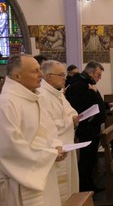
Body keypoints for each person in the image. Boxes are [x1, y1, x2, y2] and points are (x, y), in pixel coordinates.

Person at [0, 55, 66, 206]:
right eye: (35, 71)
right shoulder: (6, 103)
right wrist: (50, 154)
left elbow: (48, 128)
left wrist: (56, 145)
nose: (41, 75)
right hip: (22, 180)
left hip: (43, 172)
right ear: (17, 76)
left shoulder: (33, 97)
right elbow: (10, 147)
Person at [39, 60, 80, 203]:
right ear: (49, 76)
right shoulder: (42, 95)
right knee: (59, 189)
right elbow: (46, 125)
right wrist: (70, 120)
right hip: (56, 148)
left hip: (67, 144)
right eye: (61, 74)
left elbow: (70, 111)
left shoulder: (58, 93)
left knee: (69, 185)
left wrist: (74, 117)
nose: (65, 78)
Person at [65, 61, 108, 192]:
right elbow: (81, 107)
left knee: (90, 160)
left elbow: (93, 103)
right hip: (86, 130)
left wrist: (105, 106)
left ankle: (89, 186)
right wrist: (94, 94)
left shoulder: (86, 83)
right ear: (90, 73)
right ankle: (85, 189)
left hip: (91, 128)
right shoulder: (79, 85)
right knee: (86, 161)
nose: (99, 78)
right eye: (98, 75)